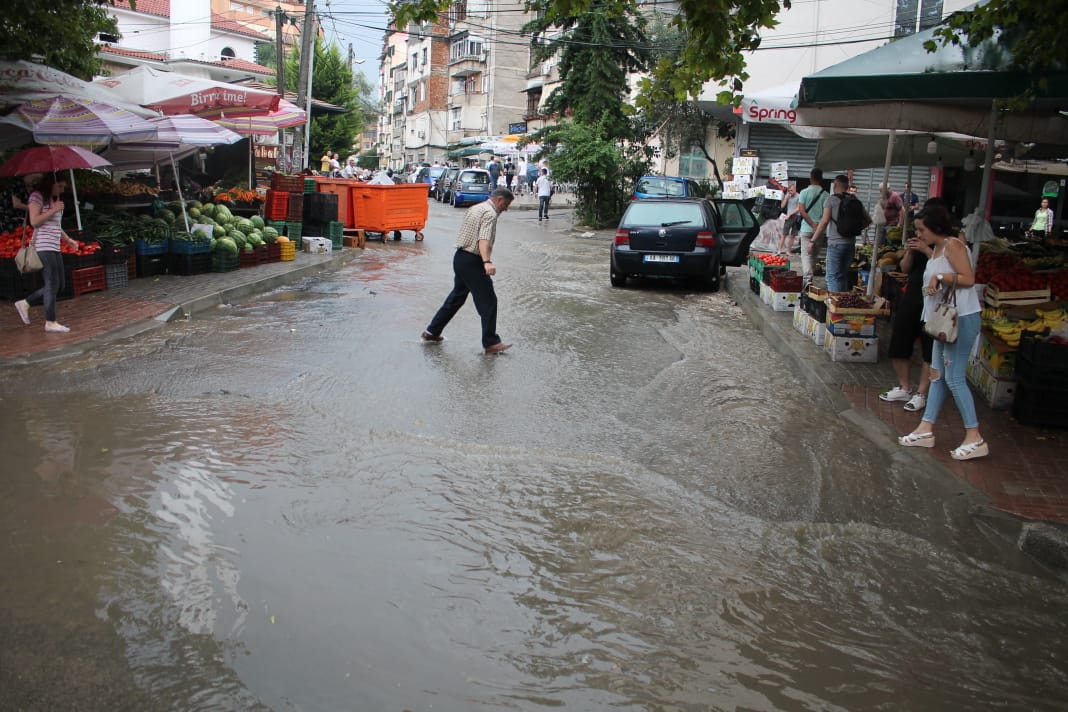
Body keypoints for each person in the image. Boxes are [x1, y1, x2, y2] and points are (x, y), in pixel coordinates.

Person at [898, 204, 987, 461]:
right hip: (940, 324)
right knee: (937, 375)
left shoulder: (953, 245)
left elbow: (968, 278)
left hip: (961, 321)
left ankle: (975, 436)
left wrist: (942, 279)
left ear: (936, 227)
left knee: (955, 378)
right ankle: (926, 429)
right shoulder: (937, 249)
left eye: (921, 229)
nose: (918, 233)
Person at [421, 187, 515, 354]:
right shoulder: (490, 213)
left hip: (460, 258)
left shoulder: (476, 208)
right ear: (499, 200)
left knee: (457, 297)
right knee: (488, 301)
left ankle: (432, 332)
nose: (505, 209)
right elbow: (483, 239)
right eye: (506, 204)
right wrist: (487, 262)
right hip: (473, 261)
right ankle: (491, 343)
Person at [880, 212, 936, 413]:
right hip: (912, 296)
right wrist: (910, 252)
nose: (919, 233)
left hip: (934, 302)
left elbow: (947, 268)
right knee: (899, 343)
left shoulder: (945, 246)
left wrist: (927, 250)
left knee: (929, 350)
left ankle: (921, 393)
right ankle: (905, 387)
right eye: (917, 229)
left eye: (922, 229)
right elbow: (904, 269)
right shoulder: (916, 246)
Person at [13, 172, 81, 333]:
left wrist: (68, 240)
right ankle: (50, 322)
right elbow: (35, 221)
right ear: (51, 184)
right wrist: (53, 210)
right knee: (51, 283)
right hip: (43, 246)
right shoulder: (36, 197)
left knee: (60, 284)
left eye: (63, 186)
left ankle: (25, 302)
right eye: (60, 186)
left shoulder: (54, 200)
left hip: (54, 245)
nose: (62, 189)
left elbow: (56, 225)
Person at [809, 174, 856, 292]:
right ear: (847, 186)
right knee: (843, 275)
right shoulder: (854, 200)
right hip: (850, 243)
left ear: (835, 185)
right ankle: (841, 305)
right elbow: (867, 221)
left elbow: (824, 222)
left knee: (832, 277)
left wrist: (812, 241)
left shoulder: (831, 200)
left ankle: (834, 305)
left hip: (835, 243)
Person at [796, 168, 828, 286]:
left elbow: (802, 211)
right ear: (821, 179)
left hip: (806, 229)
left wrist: (811, 224)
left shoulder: (804, 192)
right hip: (819, 231)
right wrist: (817, 226)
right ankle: (809, 278)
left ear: (811, 178)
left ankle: (808, 279)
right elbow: (827, 215)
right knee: (814, 255)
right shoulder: (826, 195)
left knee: (805, 255)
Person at [776, 182, 800, 255]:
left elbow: (799, 208)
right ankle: (779, 250)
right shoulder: (788, 196)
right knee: (784, 234)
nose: (791, 192)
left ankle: (788, 251)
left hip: (796, 216)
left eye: (792, 190)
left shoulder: (799, 196)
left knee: (793, 235)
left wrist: (790, 214)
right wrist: (786, 198)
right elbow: (782, 206)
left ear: (795, 189)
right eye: (789, 190)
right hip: (788, 217)